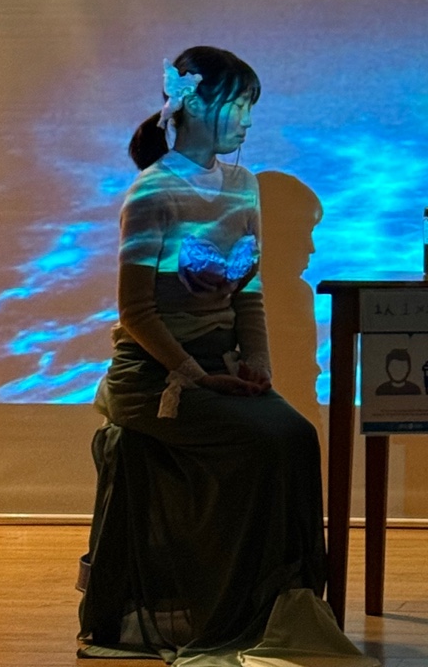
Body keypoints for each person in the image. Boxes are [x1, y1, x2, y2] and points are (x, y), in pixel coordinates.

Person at [78, 46, 350, 660]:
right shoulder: (152, 194)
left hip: (220, 367)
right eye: (238, 105)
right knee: (268, 442)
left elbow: (247, 292)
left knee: (296, 436)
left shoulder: (242, 185)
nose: (247, 120)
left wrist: (258, 367)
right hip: (156, 376)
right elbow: (137, 313)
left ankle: (282, 606)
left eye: (251, 106)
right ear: (194, 104)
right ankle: (230, 612)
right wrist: (197, 376)